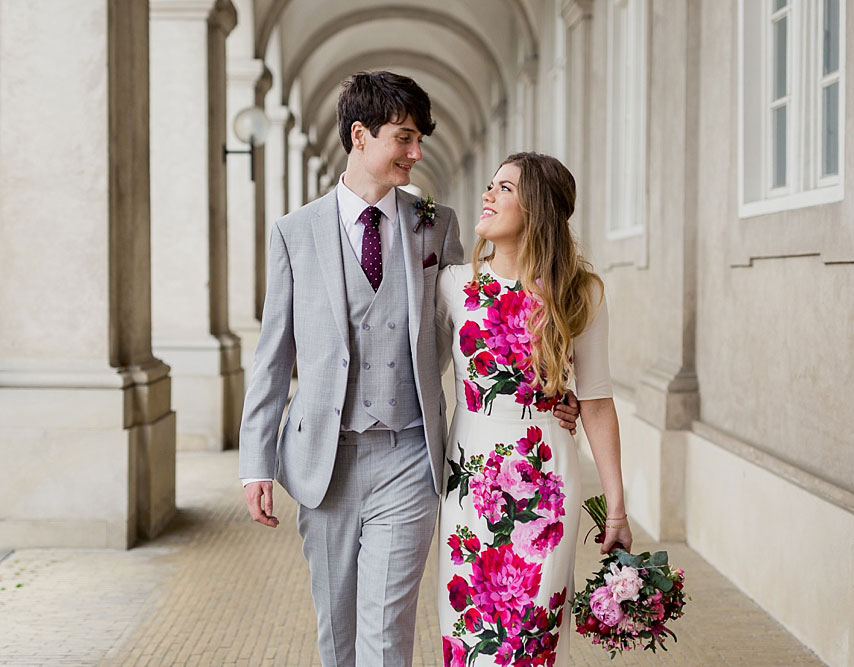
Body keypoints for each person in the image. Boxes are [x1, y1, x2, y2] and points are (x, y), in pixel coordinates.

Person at [238, 72, 579, 667]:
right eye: (404, 138)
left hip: (408, 454)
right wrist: (254, 463)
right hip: (324, 457)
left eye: (420, 138)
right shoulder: (295, 232)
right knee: (337, 630)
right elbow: (272, 355)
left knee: (388, 627)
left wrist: (544, 391)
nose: (416, 153)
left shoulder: (436, 223)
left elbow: (481, 316)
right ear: (361, 136)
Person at [435, 152, 632, 666]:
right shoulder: (453, 285)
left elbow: (596, 399)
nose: (488, 195)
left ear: (538, 207)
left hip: (546, 484)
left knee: (532, 641)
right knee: (470, 639)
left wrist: (616, 505)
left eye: (504, 188)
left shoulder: (579, 293)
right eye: (490, 185)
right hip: (470, 485)